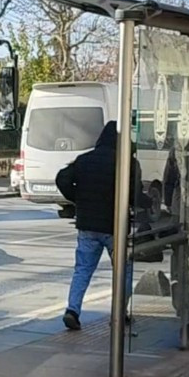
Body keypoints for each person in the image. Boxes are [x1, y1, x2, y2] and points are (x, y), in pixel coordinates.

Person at [54, 121, 150, 331]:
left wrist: (78, 199)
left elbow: (61, 179)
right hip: (115, 227)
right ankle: (119, 312)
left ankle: (72, 310)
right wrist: (147, 203)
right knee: (123, 270)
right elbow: (135, 194)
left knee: (83, 270)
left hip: (87, 225)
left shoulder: (85, 160)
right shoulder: (126, 163)